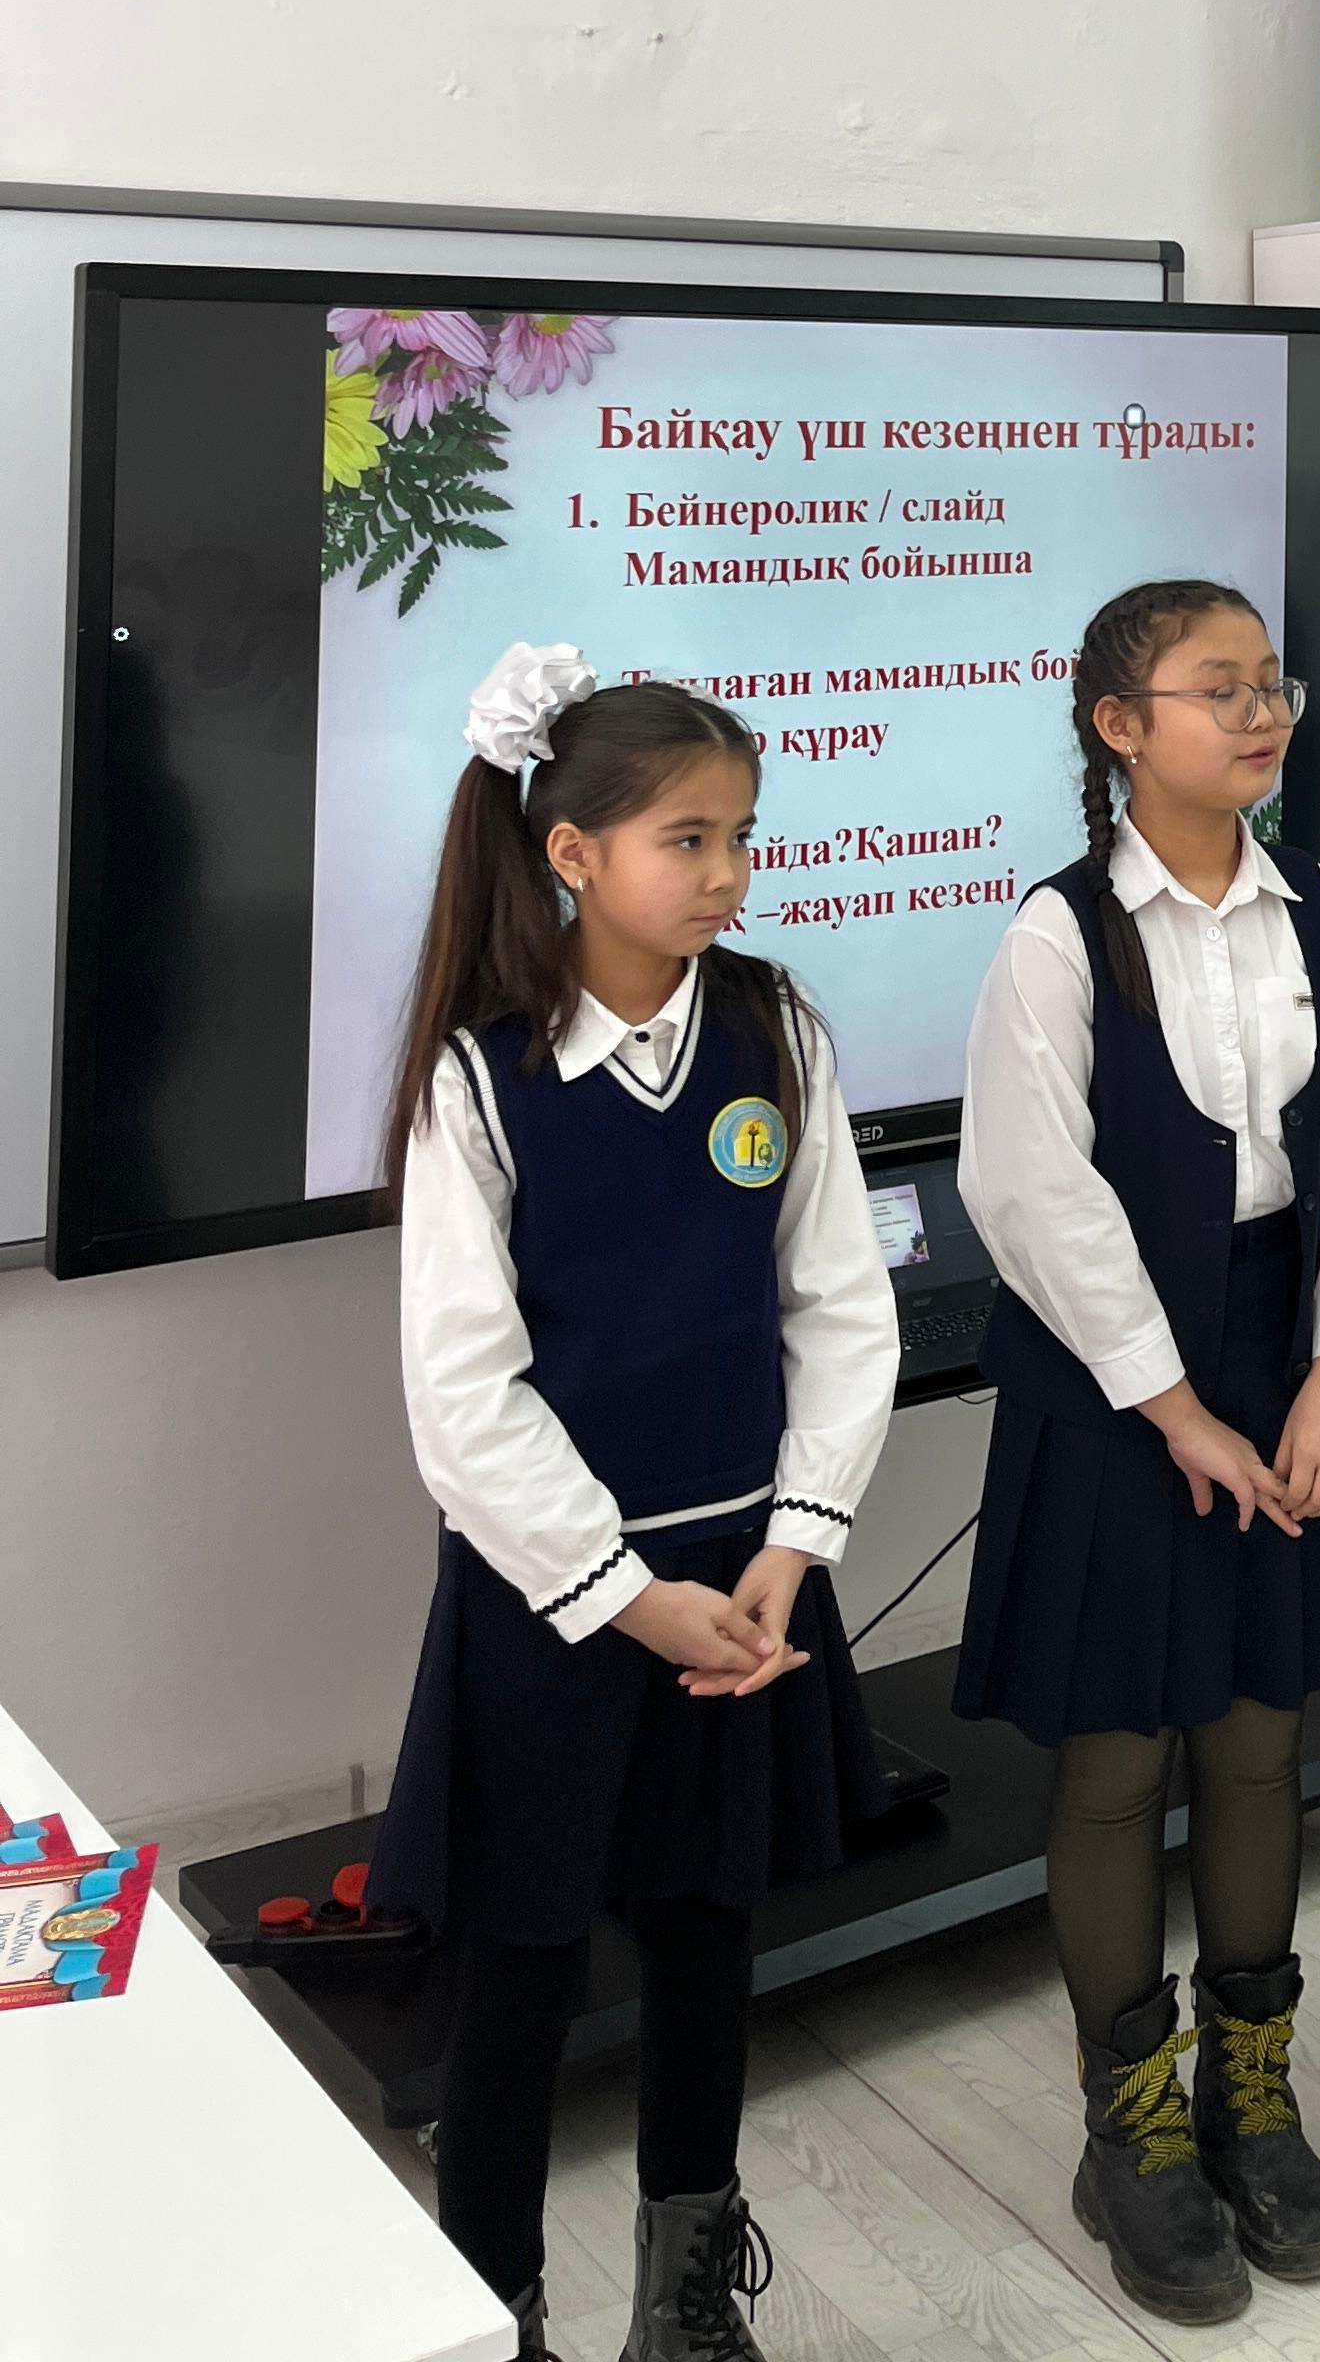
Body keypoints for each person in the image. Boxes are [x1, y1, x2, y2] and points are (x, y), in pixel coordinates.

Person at [372, 647, 899, 2362]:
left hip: (742, 1585)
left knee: (702, 1933)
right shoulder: (479, 1076)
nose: (728, 872)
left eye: (742, 834)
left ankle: (687, 2295)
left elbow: (841, 1307)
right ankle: (497, 2306)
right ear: (572, 851)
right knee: (521, 1966)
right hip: (557, 1600)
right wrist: (622, 1593)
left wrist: (791, 1548)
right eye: (689, 838)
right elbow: (465, 1396)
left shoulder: (773, 1029)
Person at [953, 579, 1320, 2327]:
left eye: (1269, 682)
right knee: (1120, 1755)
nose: (1260, 710)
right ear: (1120, 726)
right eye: (1219, 688)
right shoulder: (1061, 934)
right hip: (1113, 1386)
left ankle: (1250, 2099)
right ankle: (1129, 2126)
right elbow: (1029, 1191)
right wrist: (1171, 1403)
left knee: (1262, 1732)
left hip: (1286, 1361)